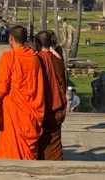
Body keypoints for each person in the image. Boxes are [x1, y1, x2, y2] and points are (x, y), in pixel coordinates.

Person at [0, 25, 45, 160]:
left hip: (13, 110)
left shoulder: (8, 57)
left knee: (10, 152)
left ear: (11, 39)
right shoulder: (35, 59)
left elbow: (1, 88)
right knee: (27, 152)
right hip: (31, 110)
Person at [35, 31, 67, 160]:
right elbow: (63, 83)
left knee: (41, 138)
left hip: (41, 104)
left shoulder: (35, 59)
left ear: (37, 43)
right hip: (57, 104)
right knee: (55, 137)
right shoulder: (58, 60)